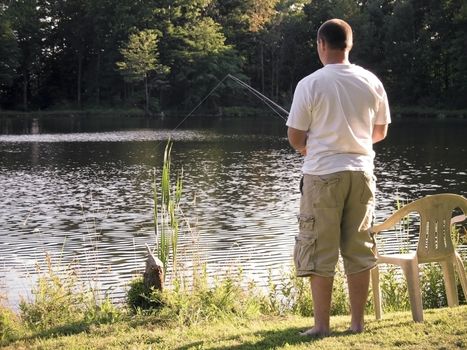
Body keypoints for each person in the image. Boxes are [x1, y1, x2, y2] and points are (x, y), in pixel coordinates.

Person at [286, 18, 390, 337]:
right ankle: (357, 324)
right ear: (349, 44)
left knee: (320, 249)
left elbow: (295, 136)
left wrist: (310, 147)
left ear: (321, 44)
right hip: (361, 175)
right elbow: (380, 132)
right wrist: (351, 146)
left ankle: (321, 327)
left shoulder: (310, 84)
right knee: (358, 248)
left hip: (322, 176)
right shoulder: (371, 80)